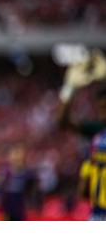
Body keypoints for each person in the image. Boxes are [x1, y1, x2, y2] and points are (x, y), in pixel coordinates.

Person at [56, 48, 106, 220]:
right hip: (97, 215)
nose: (102, 113)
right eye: (100, 109)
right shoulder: (98, 131)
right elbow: (63, 121)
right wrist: (70, 87)